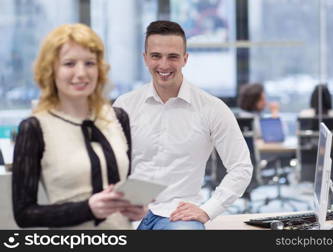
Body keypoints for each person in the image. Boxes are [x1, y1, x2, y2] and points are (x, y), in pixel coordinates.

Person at [113, 20, 252, 230]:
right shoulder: (125, 105)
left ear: (185, 59)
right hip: (130, 209)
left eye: (173, 57)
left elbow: (241, 167)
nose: (164, 65)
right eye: (156, 56)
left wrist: (208, 209)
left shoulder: (212, 108)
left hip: (177, 215)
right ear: (145, 58)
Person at [12, 23, 146, 229]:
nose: (81, 73)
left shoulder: (118, 118)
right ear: (51, 70)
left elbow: (124, 186)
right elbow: (24, 214)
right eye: (69, 63)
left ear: (99, 68)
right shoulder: (35, 128)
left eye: (89, 63)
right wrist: (87, 209)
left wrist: (136, 207)